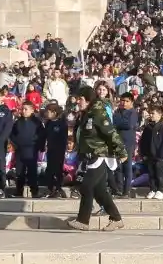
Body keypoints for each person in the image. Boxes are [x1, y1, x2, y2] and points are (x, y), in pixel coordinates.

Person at [67, 86, 127, 232]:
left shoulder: (98, 113)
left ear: (88, 99)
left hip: (101, 155)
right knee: (100, 191)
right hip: (90, 155)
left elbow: (110, 133)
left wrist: (121, 151)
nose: (78, 102)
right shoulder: (86, 114)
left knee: (86, 186)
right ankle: (116, 219)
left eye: (80, 99)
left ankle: (83, 221)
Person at [10, 100, 44, 198]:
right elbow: (12, 135)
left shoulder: (37, 122)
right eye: (22, 109)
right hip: (20, 150)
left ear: (32, 110)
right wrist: (16, 144)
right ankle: (19, 191)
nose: (23, 111)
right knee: (19, 172)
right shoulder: (17, 122)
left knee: (32, 172)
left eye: (26, 109)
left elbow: (42, 135)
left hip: (32, 150)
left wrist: (39, 146)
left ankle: (34, 191)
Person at [139, 106, 163, 200]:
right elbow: (143, 141)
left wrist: (161, 154)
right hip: (149, 154)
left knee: (159, 174)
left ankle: (160, 190)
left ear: (160, 115)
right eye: (151, 113)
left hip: (159, 155)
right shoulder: (148, 127)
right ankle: (152, 189)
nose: (151, 115)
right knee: (151, 173)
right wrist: (143, 153)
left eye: (153, 113)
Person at [112, 93, 138, 198]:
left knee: (127, 167)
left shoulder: (133, 113)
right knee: (118, 167)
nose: (124, 103)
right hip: (117, 142)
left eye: (127, 101)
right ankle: (119, 189)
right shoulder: (117, 112)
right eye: (122, 100)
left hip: (128, 143)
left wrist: (119, 123)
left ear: (131, 102)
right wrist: (119, 123)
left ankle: (126, 191)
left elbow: (129, 125)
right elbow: (113, 122)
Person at [42, 103, 68, 199]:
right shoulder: (48, 123)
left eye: (47, 111)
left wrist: (61, 149)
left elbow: (64, 139)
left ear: (54, 112)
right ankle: (50, 188)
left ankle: (58, 188)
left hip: (59, 150)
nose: (46, 113)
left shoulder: (62, 123)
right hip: (50, 150)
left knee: (58, 170)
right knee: (49, 170)